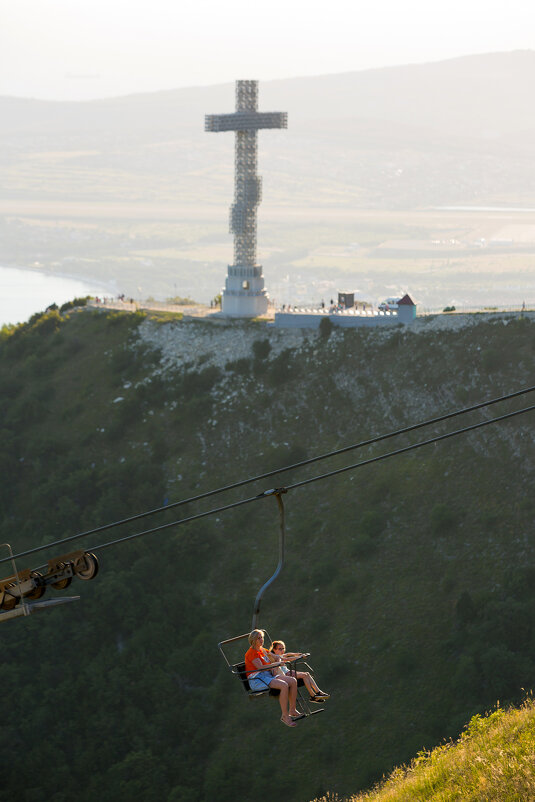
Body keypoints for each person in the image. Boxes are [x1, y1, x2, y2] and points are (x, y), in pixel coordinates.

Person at [244, 629, 304, 727]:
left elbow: (276, 657)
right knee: (283, 685)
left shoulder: (263, 650)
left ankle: (292, 710)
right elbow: (260, 667)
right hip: (257, 679)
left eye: (262, 638)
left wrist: (279, 660)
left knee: (293, 680)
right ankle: (285, 716)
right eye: (258, 638)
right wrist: (277, 663)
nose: (261, 640)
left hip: (267, 675)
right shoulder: (251, 653)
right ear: (253, 640)